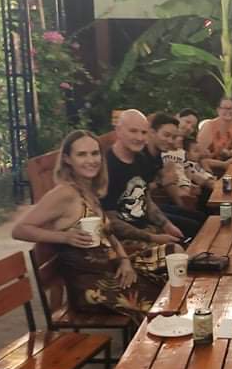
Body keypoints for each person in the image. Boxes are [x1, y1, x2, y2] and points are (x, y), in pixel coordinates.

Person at [12, 130, 172, 325]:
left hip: (112, 270)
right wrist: (64, 237)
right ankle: (156, 339)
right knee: (164, 298)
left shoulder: (89, 190)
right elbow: (19, 229)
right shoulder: (65, 193)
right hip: (92, 287)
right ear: (67, 160)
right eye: (82, 154)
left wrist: (124, 261)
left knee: (173, 257)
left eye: (95, 153)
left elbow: (108, 233)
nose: (91, 160)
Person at [101, 108, 186, 246]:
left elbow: (146, 199)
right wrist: (153, 238)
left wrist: (167, 225)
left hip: (147, 229)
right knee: (178, 250)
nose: (140, 138)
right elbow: (111, 221)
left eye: (143, 132)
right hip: (123, 241)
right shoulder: (107, 166)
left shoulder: (141, 159)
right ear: (118, 131)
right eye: (133, 131)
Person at [143, 112, 206, 237]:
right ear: (152, 132)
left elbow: (169, 181)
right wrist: (160, 183)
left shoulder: (158, 155)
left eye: (173, 137)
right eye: (166, 135)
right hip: (142, 210)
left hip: (154, 205)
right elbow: (143, 190)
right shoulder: (141, 156)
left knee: (202, 217)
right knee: (194, 226)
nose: (170, 141)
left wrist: (182, 202)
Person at [196, 96, 232, 173]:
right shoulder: (209, 126)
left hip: (225, 164)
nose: (228, 111)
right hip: (207, 168)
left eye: (231, 108)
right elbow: (197, 154)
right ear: (218, 110)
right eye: (224, 108)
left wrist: (229, 153)